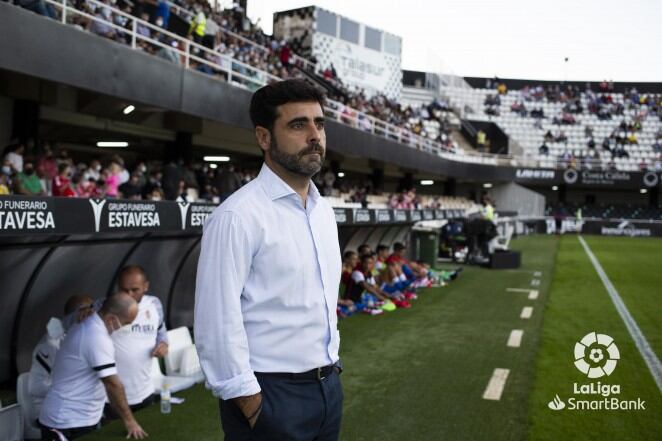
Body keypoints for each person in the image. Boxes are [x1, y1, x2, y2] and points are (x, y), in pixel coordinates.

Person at [195, 79, 343, 441]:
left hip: (328, 387)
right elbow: (216, 320)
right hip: (270, 395)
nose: (314, 135)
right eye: (298, 124)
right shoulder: (238, 216)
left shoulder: (324, 212)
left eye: (319, 123)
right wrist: (252, 403)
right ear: (264, 137)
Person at [38, 293, 148, 440]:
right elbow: (113, 384)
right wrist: (130, 421)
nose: (125, 328)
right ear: (111, 319)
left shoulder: (94, 327)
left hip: (79, 419)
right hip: (66, 422)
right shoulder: (95, 336)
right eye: (126, 323)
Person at [106, 266, 169, 417]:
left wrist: (163, 346)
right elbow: (74, 320)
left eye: (135, 289)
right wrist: (82, 310)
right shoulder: (106, 307)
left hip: (145, 391)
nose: (129, 295)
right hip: (111, 398)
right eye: (124, 289)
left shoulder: (154, 305)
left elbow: (161, 333)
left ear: (146, 286)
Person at [28, 295, 94, 426]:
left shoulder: (86, 338)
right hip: (49, 412)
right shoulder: (50, 345)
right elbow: (35, 388)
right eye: (88, 313)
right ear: (76, 315)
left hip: (77, 409)